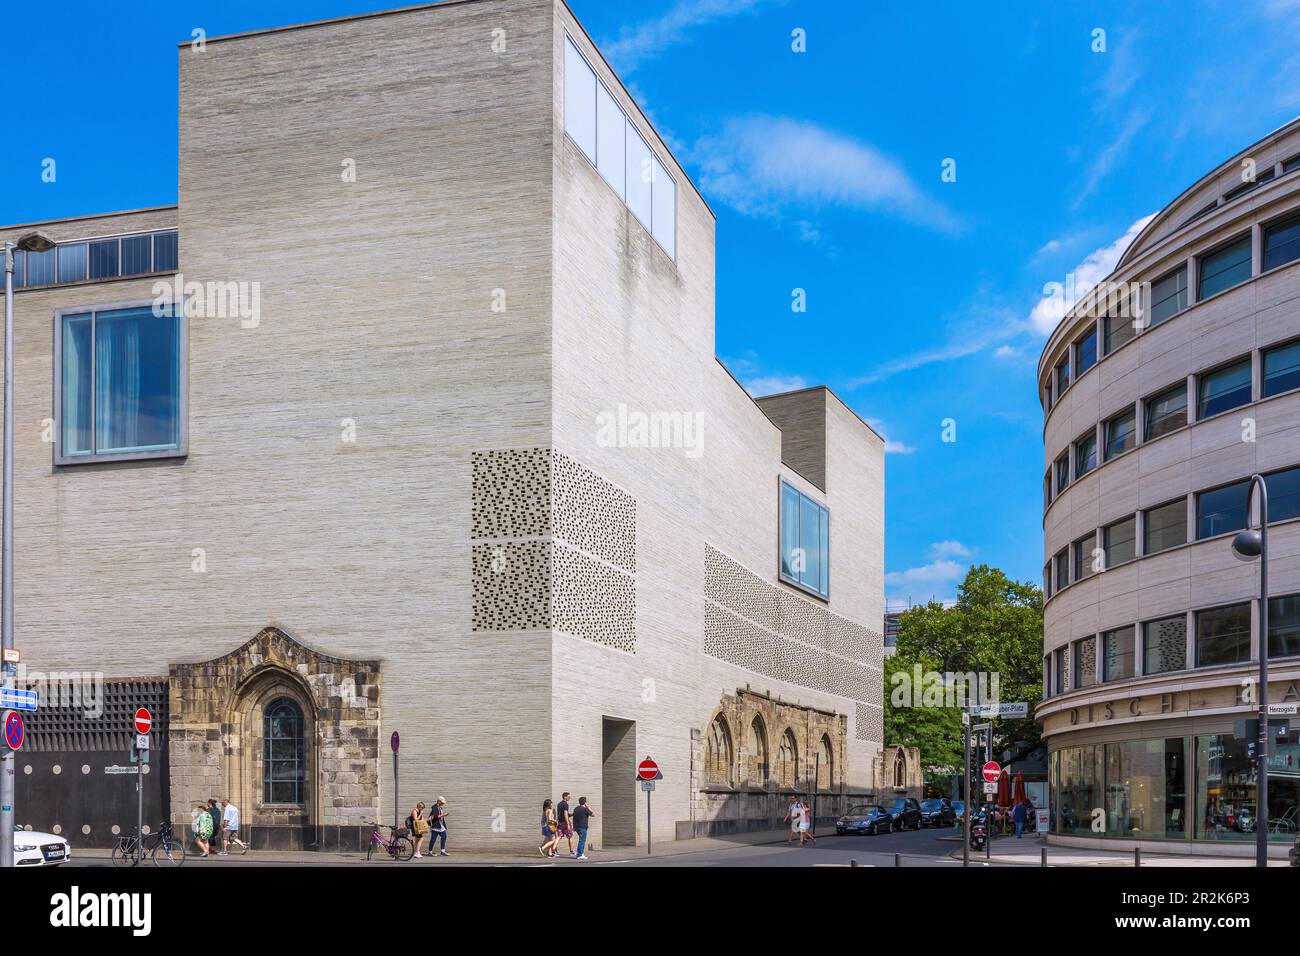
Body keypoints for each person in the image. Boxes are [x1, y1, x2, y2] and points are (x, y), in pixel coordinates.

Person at [571, 796, 594, 861]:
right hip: (583, 827)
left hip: (577, 827)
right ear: (585, 802)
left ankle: (581, 853)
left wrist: (574, 827)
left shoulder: (576, 808)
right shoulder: (585, 809)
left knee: (581, 840)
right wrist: (589, 808)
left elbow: (574, 817)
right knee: (582, 840)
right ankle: (579, 855)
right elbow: (593, 814)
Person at [556, 792, 575, 857]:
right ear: (565, 797)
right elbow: (565, 814)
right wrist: (568, 824)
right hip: (565, 823)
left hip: (560, 823)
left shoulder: (559, 804)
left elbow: (562, 814)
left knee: (559, 836)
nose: (570, 798)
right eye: (569, 797)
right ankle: (571, 852)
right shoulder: (566, 804)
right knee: (570, 837)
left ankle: (554, 851)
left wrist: (571, 814)